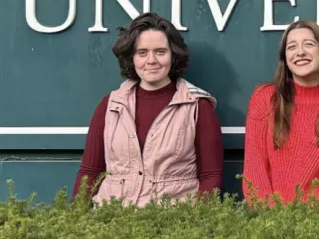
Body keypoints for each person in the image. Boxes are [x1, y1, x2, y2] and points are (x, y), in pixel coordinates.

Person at [74, 12, 223, 207]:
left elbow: (210, 176)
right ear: (132, 57)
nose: (151, 60)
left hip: (173, 223)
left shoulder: (197, 106)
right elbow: (90, 172)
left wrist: (198, 222)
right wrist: (76, 217)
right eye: (142, 52)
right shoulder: (110, 105)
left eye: (160, 51)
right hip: (111, 220)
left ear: (173, 55)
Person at [242, 19, 319, 206]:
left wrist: (310, 223)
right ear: (285, 58)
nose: (300, 52)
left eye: (309, 44)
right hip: (267, 220)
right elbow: (254, 168)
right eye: (291, 47)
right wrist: (271, 218)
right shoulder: (264, 98)